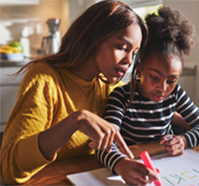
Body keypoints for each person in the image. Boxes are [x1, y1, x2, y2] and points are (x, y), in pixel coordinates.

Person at [0, 0, 148, 184]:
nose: (129, 61)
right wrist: (75, 121)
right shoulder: (45, 77)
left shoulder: (110, 88)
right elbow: (9, 169)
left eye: (134, 53)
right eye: (122, 48)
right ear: (94, 38)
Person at [95, 6, 199, 186]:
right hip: (133, 168)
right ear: (140, 68)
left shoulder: (175, 94)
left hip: (169, 169)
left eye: (172, 80)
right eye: (154, 77)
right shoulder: (121, 97)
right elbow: (104, 144)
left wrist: (183, 140)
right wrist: (121, 164)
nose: (162, 88)